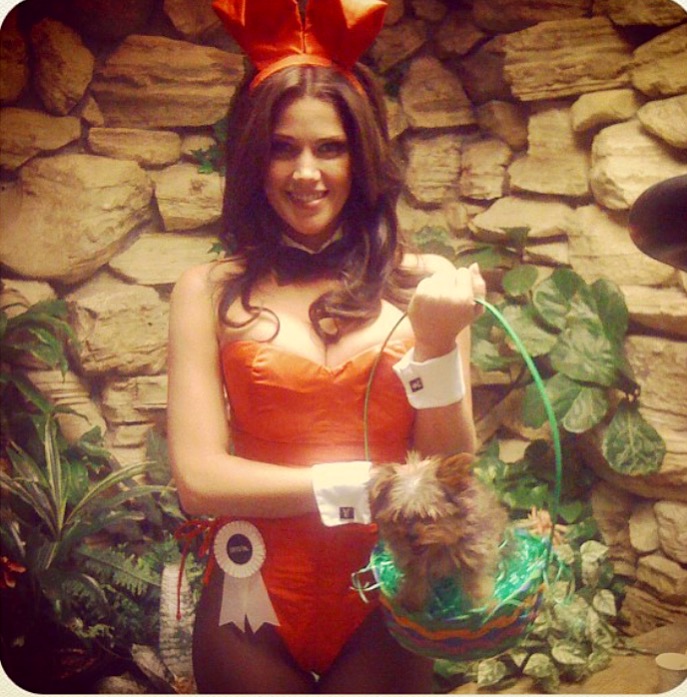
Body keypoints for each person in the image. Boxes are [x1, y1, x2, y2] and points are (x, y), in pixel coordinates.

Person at [167, 0, 486, 692]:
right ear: (252, 159)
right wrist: (362, 485)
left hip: (389, 592)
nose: (305, 172)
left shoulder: (426, 286)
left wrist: (436, 342)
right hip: (250, 598)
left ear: (361, 156)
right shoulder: (204, 291)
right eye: (282, 147)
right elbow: (198, 481)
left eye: (329, 148)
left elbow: (447, 472)